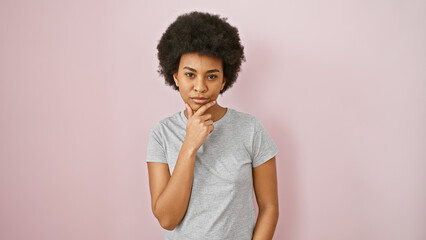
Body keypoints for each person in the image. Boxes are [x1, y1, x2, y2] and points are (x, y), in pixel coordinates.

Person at [146, 11, 279, 240]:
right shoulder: (161, 134)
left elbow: (269, 208)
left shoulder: (251, 129)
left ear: (224, 80)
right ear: (176, 77)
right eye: (190, 75)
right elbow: (167, 219)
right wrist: (190, 145)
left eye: (211, 76)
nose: (200, 87)